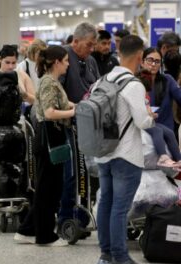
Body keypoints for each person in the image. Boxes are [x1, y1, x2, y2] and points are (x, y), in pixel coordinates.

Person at [95, 35, 155, 264]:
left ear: (119, 52)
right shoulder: (134, 85)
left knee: (106, 205)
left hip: (103, 153)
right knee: (120, 209)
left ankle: (105, 255)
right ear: (140, 56)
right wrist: (150, 116)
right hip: (127, 155)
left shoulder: (102, 80)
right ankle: (120, 257)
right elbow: (142, 122)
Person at [15, 45, 74, 246]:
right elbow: (50, 113)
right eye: (65, 60)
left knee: (45, 188)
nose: (68, 64)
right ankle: (45, 236)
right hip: (50, 137)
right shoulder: (49, 83)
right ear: (56, 62)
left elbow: (57, 106)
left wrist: (73, 105)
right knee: (48, 190)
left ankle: (27, 230)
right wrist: (74, 112)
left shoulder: (50, 82)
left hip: (48, 138)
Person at [59, 23, 100, 233]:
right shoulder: (64, 59)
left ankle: (82, 218)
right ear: (75, 41)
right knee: (72, 173)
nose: (92, 49)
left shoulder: (91, 61)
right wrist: (76, 108)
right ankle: (65, 218)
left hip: (89, 126)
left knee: (90, 173)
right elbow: (57, 95)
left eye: (94, 45)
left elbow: (97, 88)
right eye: (89, 45)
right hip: (67, 125)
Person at [137, 69, 181, 169]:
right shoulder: (135, 95)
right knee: (157, 131)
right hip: (140, 123)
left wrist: (152, 114)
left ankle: (178, 159)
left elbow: (147, 109)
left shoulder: (146, 95)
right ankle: (163, 157)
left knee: (169, 132)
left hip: (148, 120)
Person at [140, 47, 181, 131]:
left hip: (165, 132)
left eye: (157, 61)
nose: (153, 64)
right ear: (142, 62)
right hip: (142, 131)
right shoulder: (135, 82)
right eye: (150, 60)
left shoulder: (167, 80)